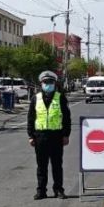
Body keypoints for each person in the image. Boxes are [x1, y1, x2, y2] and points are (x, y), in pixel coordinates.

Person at [27, 70, 72, 200]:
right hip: (40, 137)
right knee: (41, 166)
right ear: (41, 83)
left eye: (50, 82)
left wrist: (66, 135)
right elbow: (31, 118)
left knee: (57, 165)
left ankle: (59, 190)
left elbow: (67, 118)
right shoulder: (36, 98)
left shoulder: (60, 97)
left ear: (55, 83)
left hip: (57, 137)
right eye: (46, 82)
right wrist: (30, 136)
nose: (48, 85)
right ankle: (41, 191)